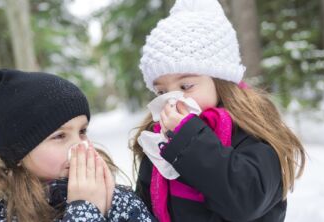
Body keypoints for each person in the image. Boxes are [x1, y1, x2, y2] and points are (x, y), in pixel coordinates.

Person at [131, 0, 306, 221]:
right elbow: (144, 208)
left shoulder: (254, 132)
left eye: (186, 86)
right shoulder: (160, 141)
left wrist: (188, 139)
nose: (173, 100)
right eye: (161, 92)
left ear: (220, 80)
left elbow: (245, 201)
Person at [0, 69, 155, 222]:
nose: (80, 146)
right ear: (17, 154)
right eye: (60, 136)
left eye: (82, 131)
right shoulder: (5, 216)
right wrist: (86, 210)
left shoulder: (116, 198)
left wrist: (107, 206)